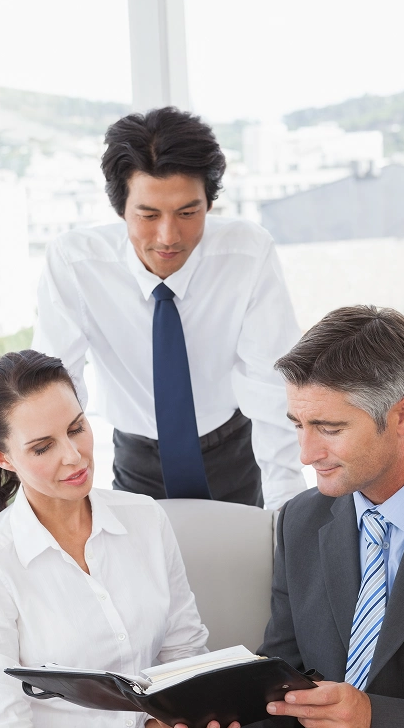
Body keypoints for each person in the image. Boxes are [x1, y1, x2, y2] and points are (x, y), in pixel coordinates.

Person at [163, 306, 404, 728]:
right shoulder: (301, 521)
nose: (305, 453)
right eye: (298, 424)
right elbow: (284, 678)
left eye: (329, 427)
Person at [0, 350, 226, 728]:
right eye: (42, 447)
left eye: (76, 428)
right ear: (2, 457)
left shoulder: (144, 520)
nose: (73, 456)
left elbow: (185, 664)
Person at [33, 106, 305, 509]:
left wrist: (288, 508)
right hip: (137, 460)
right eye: (148, 215)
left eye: (188, 213)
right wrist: (31, 503)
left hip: (235, 453)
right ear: (120, 208)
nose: (168, 236)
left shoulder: (247, 253)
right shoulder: (76, 264)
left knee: (245, 567)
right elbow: (51, 390)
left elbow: (270, 385)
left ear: (209, 205)